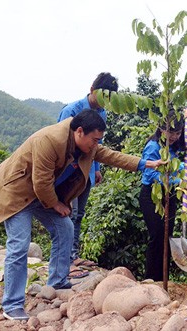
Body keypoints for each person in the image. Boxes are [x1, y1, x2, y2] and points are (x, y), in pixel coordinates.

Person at [0, 110, 165, 321]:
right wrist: (57, 205)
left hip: (41, 193)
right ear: (79, 131)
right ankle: (12, 304)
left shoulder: (85, 144)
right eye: (94, 140)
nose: (96, 144)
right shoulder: (49, 141)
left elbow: (110, 155)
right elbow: (41, 183)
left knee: (65, 228)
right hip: (17, 192)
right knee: (20, 244)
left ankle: (57, 281)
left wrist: (145, 163)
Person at [57, 72, 118, 266]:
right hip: (69, 173)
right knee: (68, 212)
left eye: (109, 99)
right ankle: (64, 257)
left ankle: (72, 255)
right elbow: (60, 145)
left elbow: (97, 145)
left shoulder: (102, 114)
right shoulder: (71, 111)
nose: (104, 103)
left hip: (87, 172)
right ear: (92, 90)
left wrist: (97, 168)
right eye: (102, 97)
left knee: (79, 214)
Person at [139, 108, 187, 281]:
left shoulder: (175, 145)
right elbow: (150, 174)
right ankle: (151, 278)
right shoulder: (153, 146)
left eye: (177, 133)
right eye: (171, 132)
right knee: (157, 235)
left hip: (169, 196)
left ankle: (163, 278)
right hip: (152, 195)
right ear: (161, 129)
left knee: (167, 235)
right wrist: (178, 182)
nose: (174, 136)